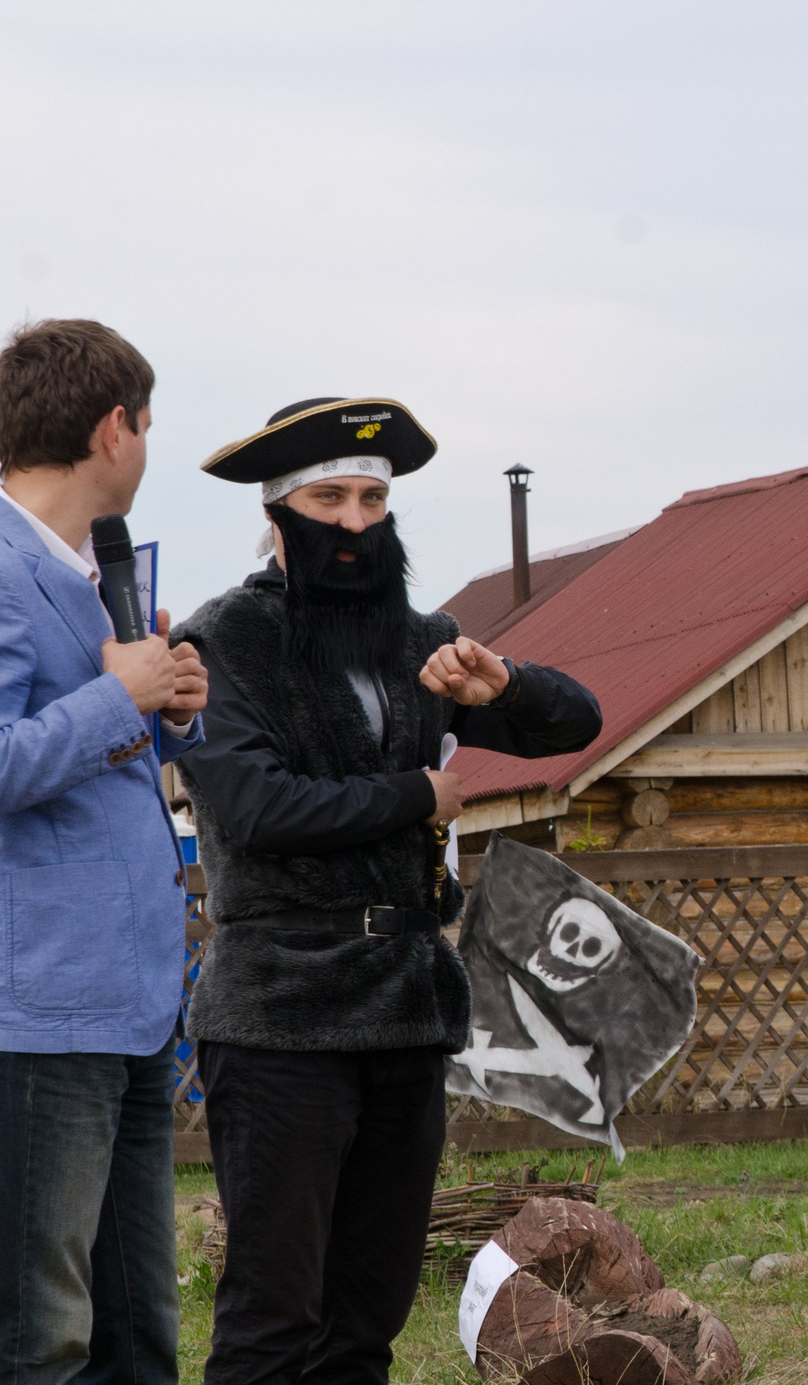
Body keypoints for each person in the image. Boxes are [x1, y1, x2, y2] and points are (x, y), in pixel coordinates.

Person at [174, 397, 603, 1385]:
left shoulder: (425, 641)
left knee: (365, 1323)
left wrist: (507, 684)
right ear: (279, 516)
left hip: (405, 1013)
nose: (358, 521)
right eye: (330, 497)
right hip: (281, 1009)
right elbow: (256, 807)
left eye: (374, 498)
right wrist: (418, 791)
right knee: (272, 1319)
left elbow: (575, 721)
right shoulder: (221, 642)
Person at [0, 319, 208, 1385]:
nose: (147, 444)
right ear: (114, 428)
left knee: (137, 1340)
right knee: (41, 1342)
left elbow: (98, 762)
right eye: (149, 423)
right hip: (40, 1015)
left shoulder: (90, 575)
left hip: (126, 1006)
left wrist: (167, 710)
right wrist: (113, 695)